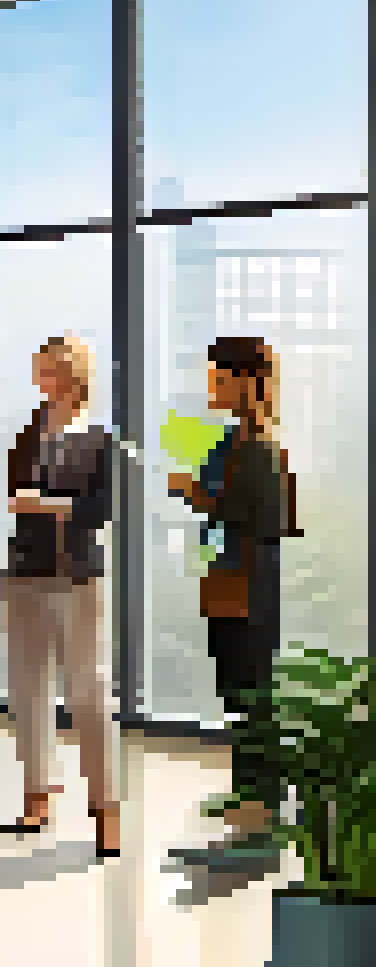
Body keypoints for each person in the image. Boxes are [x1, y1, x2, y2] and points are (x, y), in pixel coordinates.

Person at [170, 336, 299, 864]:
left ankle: (260, 815)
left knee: (252, 697)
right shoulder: (226, 441)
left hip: (250, 582)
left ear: (245, 382)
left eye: (219, 378)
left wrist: (199, 495)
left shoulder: (263, 446)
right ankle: (250, 809)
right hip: (223, 580)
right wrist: (200, 495)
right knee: (235, 693)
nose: (211, 387)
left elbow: (269, 518)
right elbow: (216, 504)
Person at [0, 336, 119, 858]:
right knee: (27, 692)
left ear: (75, 376)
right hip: (24, 573)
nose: (45, 379)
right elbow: (10, 495)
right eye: (39, 369)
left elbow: (101, 510)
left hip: (76, 578)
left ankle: (107, 813)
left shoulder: (98, 440)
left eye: (53, 370)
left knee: (88, 696)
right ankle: (36, 798)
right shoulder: (27, 435)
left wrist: (47, 504)